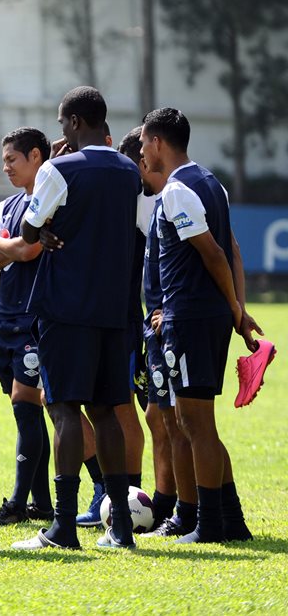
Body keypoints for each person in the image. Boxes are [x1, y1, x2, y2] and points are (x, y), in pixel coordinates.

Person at [13, 86, 142, 551]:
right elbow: (141, 228)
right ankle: (122, 526)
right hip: (114, 309)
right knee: (106, 411)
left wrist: (47, 232)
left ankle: (63, 527)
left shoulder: (57, 168)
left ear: (72, 123)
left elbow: (28, 229)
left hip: (66, 307)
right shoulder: (131, 171)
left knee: (65, 409)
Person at [140, 107, 260, 544]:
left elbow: (213, 253)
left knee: (196, 425)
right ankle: (233, 521)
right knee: (197, 423)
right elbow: (232, 249)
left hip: (189, 318)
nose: (142, 153)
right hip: (199, 317)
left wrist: (235, 309)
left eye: (144, 144)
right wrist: (236, 311)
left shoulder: (177, 190)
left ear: (157, 143)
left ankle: (208, 527)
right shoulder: (214, 184)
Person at [0, 128, 54, 525]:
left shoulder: (50, 202)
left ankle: (18, 503)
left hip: (32, 323)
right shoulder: (7, 205)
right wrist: (13, 248)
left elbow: (27, 251)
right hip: (1, 320)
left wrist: (6, 247)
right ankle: (41, 504)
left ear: (36, 157)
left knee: (26, 406)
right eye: (4, 159)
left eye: (12, 159)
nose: (5, 166)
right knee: (24, 412)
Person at [116, 128, 181, 532]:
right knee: (160, 416)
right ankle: (167, 504)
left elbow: (218, 252)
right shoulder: (148, 202)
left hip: (165, 323)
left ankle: (174, 505)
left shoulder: (161, 201)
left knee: (168, 418)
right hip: (148, 324)